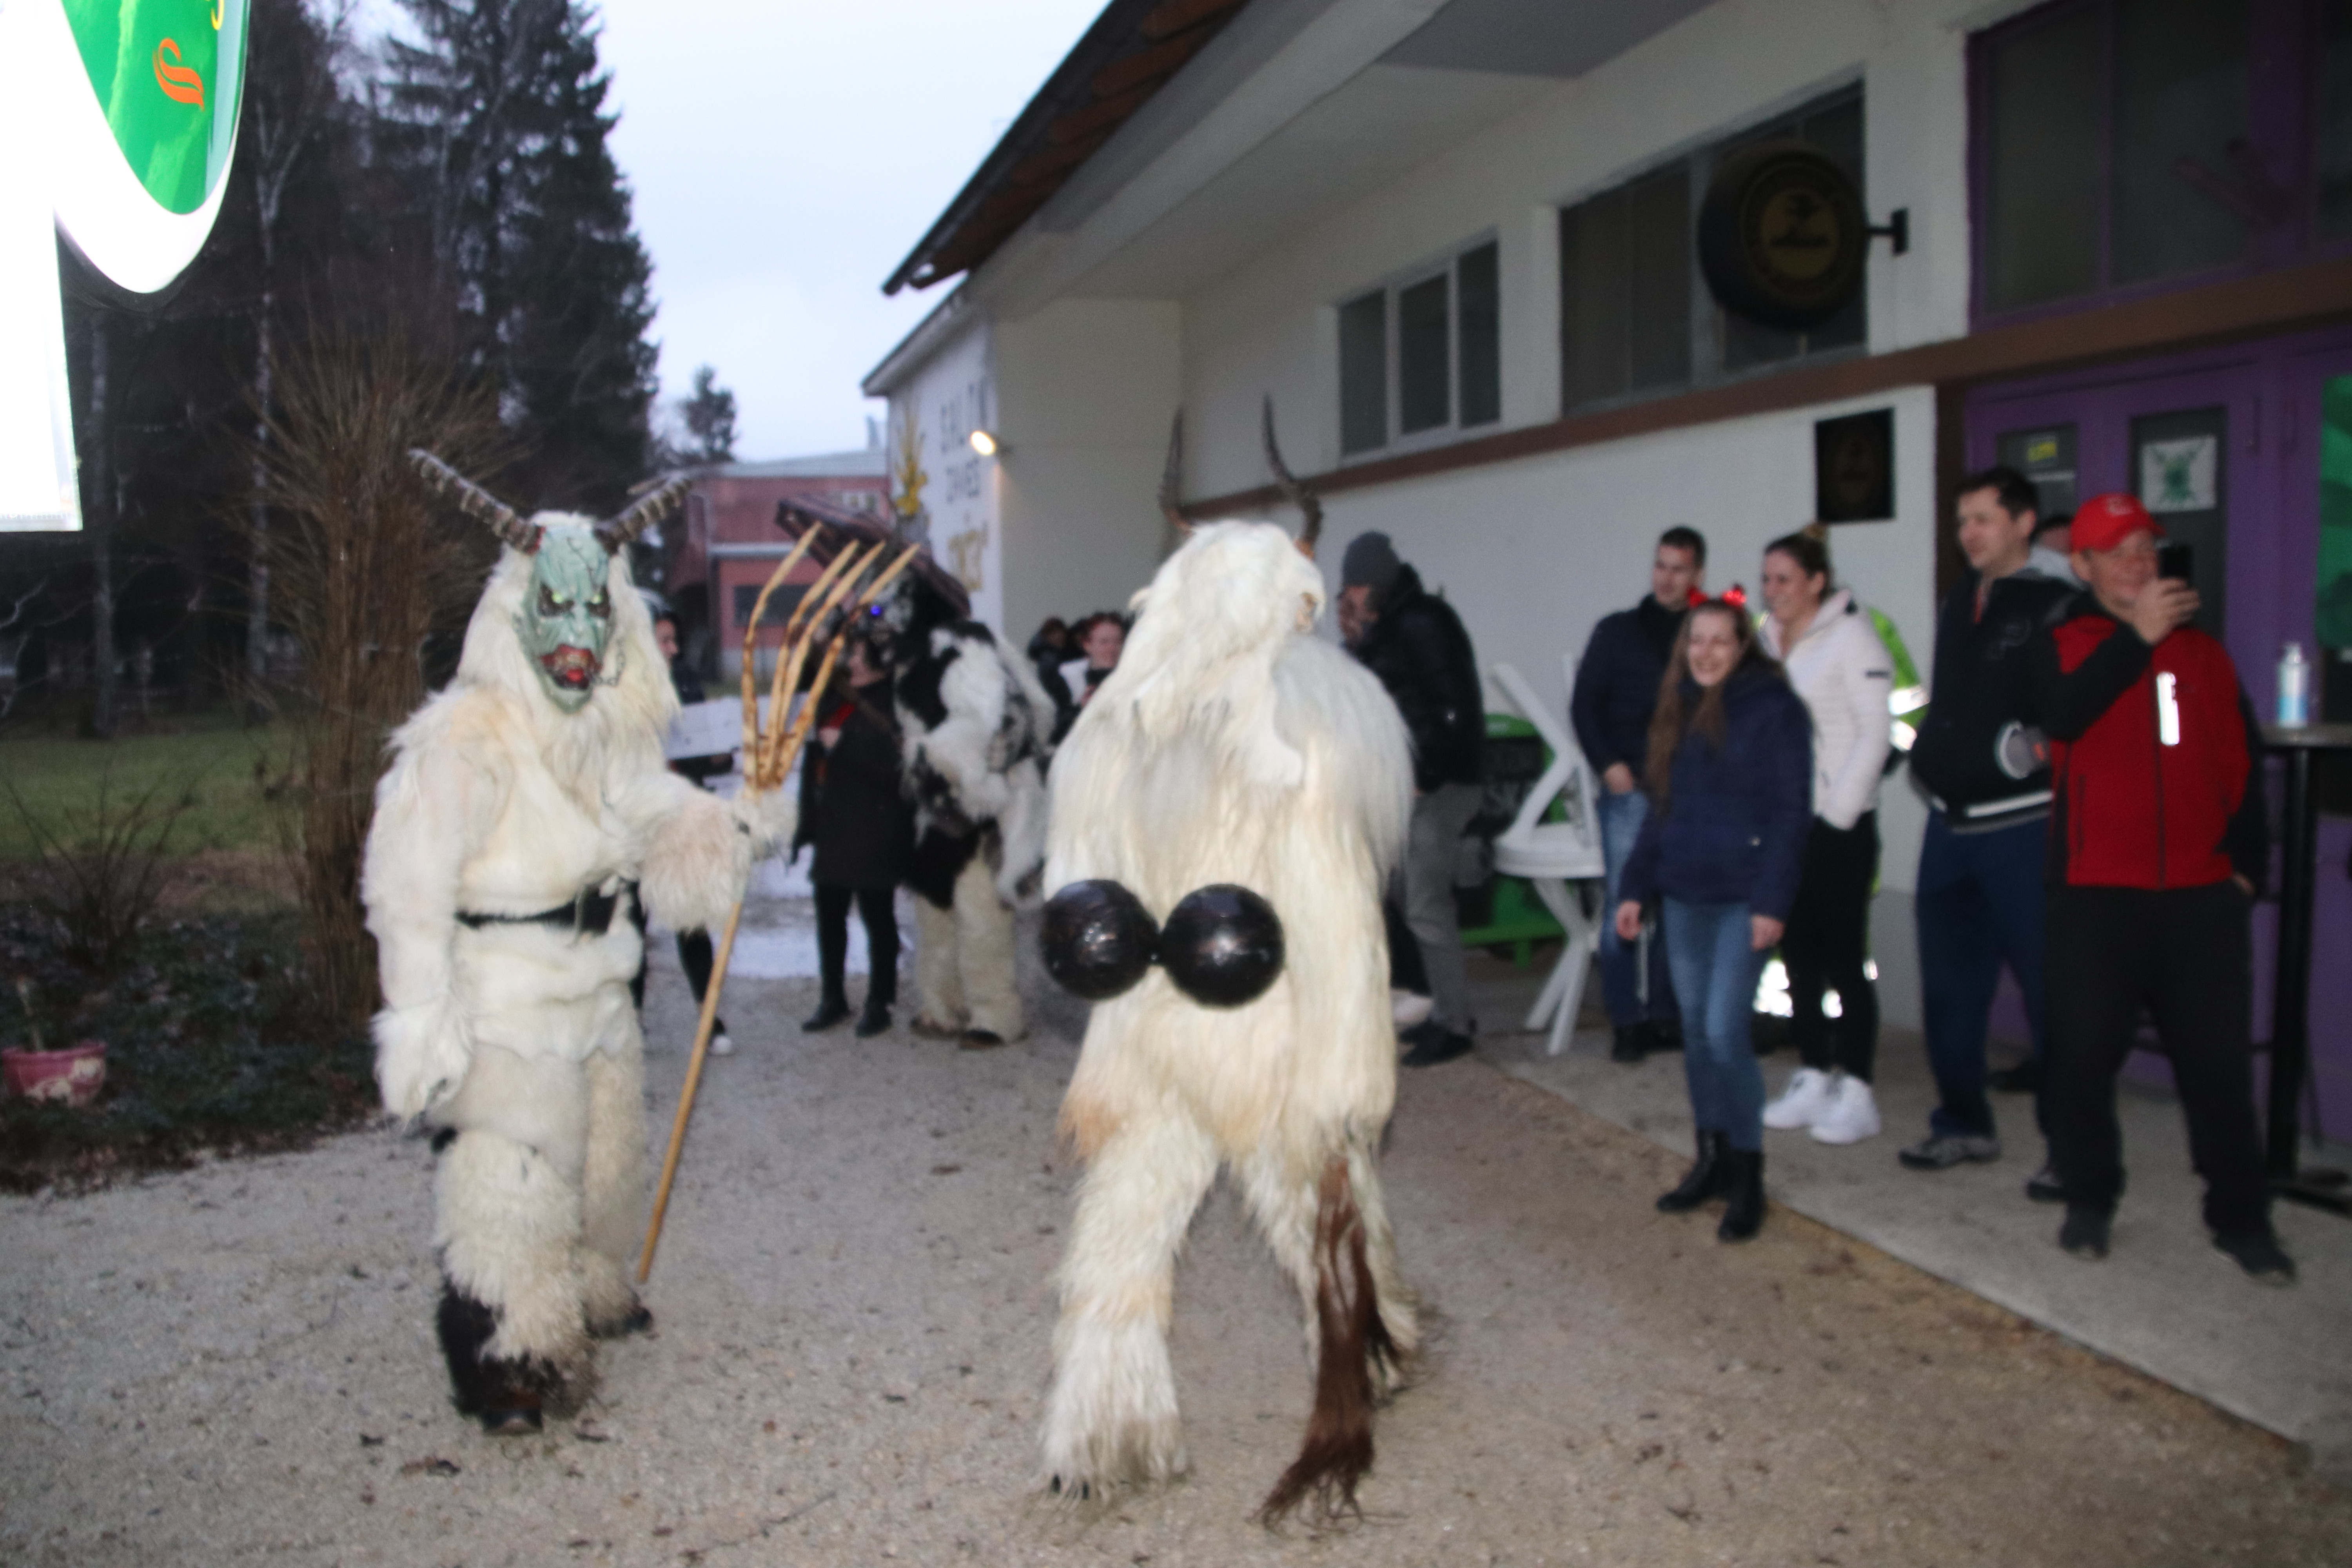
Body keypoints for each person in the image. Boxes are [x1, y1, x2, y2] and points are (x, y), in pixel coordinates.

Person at [2030, 493, 2290, 1282]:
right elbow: (2065, 718)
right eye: (2119, 550)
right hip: (2096, 896)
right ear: (2083, 566)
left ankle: (2241, 1216)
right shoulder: (2063, 644)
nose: (2140, 562)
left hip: (2200, 899)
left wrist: (2246, 870)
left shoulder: (2203, 654)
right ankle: (2090, 1196)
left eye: (2148, 547)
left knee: (2216, 1068)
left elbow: (2239, 764)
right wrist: (2135, 642)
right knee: (2083, 1059)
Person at [1614, 595, 1812, 1241]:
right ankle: (1713, 1160)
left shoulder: (1773, 710)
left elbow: (1790, 813)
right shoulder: (1676, 709)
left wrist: (1772, 903)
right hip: (1684, 897)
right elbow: (1659, 808)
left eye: (1719, 641)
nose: (1705, 653)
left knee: (1726, 1032)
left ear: (1742, 646)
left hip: (1741, 899)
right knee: (1696, 1036)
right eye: (1695, 641)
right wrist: (1634, 889)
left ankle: (1749, 1172)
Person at [1903, 466, 2074, 1179]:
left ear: (2024, 523)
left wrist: (2032, 748)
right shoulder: (1957, 602)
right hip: (1948, 827)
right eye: (1962, 520)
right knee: (1948, 991)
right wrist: (1926, 755)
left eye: (1983, 519)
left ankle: (2072, 1153)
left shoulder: (2059, 603)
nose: (1968, 533)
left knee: (2051, 992)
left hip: (2022, 831)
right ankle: (1963, 1124)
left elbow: (2079, 709)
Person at [1755, 532, 1893, 1145]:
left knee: (1844, 958)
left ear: (1817, 581)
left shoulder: (1852, 636)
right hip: (1784, 828)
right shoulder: (1764, 640)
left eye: (1785, 579)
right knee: (1799, 960)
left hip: (1838, 827)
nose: (1773, 591)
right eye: (1768, 580)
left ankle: (1857, 1087)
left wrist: (1837, 815)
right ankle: (1813, 1073)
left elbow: (1875, 733)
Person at [1340, 530, 1486, 1067]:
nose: (1349, 598)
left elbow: (1450, 706)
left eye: (1353, 586)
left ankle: (1455, 1024)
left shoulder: (1420, 623)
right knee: (1409, 899)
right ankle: (1440, 1007)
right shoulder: (1391, 625)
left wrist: (1424, 774)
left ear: (1370, 583)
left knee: (1424, 905)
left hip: (1439, 786)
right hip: (1417, 785)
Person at [1571, 528, 1702, 1063]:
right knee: (1623, 911)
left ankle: (1667, 1017)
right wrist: (1609, 767)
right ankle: (1626, 1020)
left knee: (1679, 908)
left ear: (1696, 576)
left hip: (1689, 794)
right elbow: (1585, 706)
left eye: (1679, 569)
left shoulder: (1705, 634)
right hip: (1630, 792)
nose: (1667, 578)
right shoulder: (1618, 632)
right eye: (1661, 566)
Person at [797, 632, 912, 1038]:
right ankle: (833, 997)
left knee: (878, 918)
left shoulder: (895, 698)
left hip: (874, 825)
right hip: (833, 826)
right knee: (830, 918)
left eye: (856, 649)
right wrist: (805, 821)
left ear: (872, 656)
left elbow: (895, 762)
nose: (849, 656)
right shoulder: (834, 693)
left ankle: (881, 1000)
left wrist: (844, 745)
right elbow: (815, 758)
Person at [645, 612, 734, 1054]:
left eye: (674, 640)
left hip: (680, 820)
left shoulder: (685, 682)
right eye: (664, 641)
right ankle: (626, 1022)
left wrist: (718, 755)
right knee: (626, 928)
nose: (674, 650)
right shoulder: (617, 693)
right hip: (635, 824)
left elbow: (705, 751)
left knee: (692, 925)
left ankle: (710, 1020)